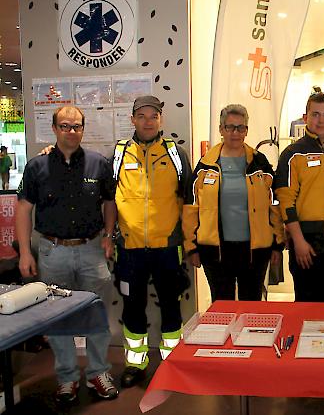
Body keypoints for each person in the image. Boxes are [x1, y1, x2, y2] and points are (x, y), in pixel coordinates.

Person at [15, 106, 118, 402]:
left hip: (91, 250)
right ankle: (67, 378)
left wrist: (109, 236)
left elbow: (110, 202)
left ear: (83, 129)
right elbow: (23, 209)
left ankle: (98, 372)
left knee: (97, 314)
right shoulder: (37, 166)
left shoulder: (99, 163)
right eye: (65, 126)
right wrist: (25, 252)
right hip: (52, 251)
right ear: (55, 128)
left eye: (77, 126)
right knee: (57, 318)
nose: (71, 131)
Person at [112, 95, 192, 388]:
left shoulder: (175, 153)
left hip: (167, 247)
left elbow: (187, 199)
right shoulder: (120, 154)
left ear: (161, 119)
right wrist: (111, 238)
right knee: (132, 307)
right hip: (130, 249)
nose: (148, 121)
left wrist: (187, 239)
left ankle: (172, 362)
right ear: (132, 119)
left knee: (171, 305)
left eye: (153, 116)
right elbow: (110, 199)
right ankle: (136, 363)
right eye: (142, 116)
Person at [183, 104, 284, 301]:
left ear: (246, 130)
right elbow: (190, 207)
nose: (235, 133)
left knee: (252, 305)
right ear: (221, 129)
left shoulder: (259, 162)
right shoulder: (206, 165)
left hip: (255, 251)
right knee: (222, 305)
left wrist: (277, 244)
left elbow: (275, 204)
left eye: (240, 127)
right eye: (229, 127)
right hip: (216, 251)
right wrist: (191, 246)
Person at [274, 92, 324, 302]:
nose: (321, 120)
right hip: (305, 240)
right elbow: (285, 200)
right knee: (305, 301)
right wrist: (298, 240)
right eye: (315, 114)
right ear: (305, 117)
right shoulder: (292, 154)